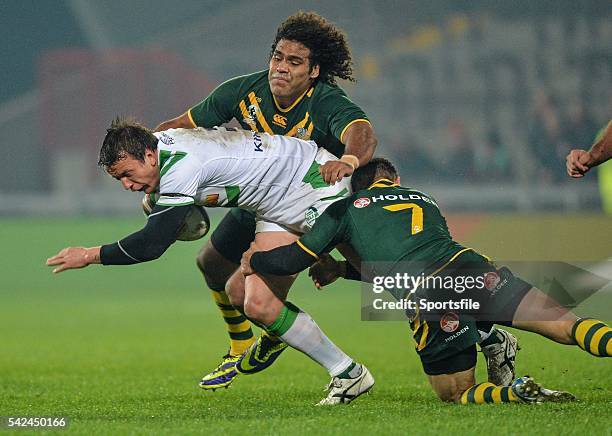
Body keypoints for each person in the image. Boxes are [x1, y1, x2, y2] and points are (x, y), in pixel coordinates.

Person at [46, 119, 374, 405]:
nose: (128, 186)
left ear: (148, 155)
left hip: (316, 184)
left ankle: (425, 306)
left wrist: (89, 255)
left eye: (128, 175)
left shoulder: (183, 166)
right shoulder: (160, 149)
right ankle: (347, 373)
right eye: (119, 179)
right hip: (277, 206)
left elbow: (151, 245)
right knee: (247, 297)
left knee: (384, 271)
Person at [241, 157, 611, 404]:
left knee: (455, 392)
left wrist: (254, 258)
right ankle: (495, 339)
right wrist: (341, 270)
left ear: (360, 188)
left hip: (431, 294)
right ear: (395, 181)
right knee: (569, 326)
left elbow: (290, 258)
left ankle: (515, 392)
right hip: (476, 270)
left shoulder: (344, 209)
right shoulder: (425, 199)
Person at [154, 12, 378, 390]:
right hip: (262, 201)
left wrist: (350, 160)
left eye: (294, 62)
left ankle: (483, 332)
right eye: (277, 57)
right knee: (212, 264)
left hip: (319, 203)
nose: (281, 68)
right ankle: (244, 341)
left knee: (382, 275)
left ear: (314, 71)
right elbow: (175, 129)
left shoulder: (324, 101)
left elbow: (362, 132)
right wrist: (146, 158)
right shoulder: (243, 91)